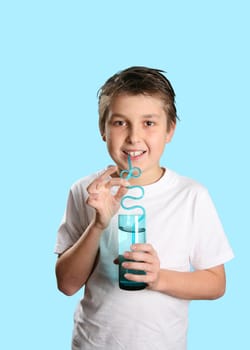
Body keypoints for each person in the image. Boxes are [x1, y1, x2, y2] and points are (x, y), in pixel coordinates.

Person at [55, 66, 234, 349]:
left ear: (169, 130)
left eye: (149, 123)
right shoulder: (85, 191)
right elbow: (66, 284)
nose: (134, 137)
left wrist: (158, 278)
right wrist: (98, 224)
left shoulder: (191, 195)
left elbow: (216, 284)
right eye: (120, 123)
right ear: (103, 129)